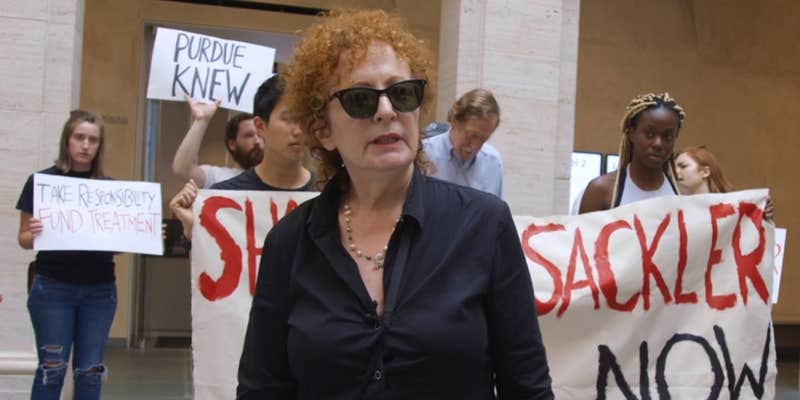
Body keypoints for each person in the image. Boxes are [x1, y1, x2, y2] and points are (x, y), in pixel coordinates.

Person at [236, 10, 553, 399]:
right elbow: (262, 388)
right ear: (323, 130)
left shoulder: (484, 225)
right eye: (360, 98)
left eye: (401, 93)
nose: (386, 110)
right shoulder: (289, 242)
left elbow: (528, 386)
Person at [16, 110, 116, 400]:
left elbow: (117, 243)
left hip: (100, 290)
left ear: (99, 145)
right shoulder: (42, 182)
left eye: (93, 140)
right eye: (79, 137)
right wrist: (33, 233)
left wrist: (142, 235)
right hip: (53, 287)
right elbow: (23, 239)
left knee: (90, 372)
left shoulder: (109, 188)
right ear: (67, 140)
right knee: (52, 369)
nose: (85, 145)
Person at [170, 75, 315, 239]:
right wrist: (194, 231)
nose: (299, 131)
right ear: (261, 125)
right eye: (288, 119)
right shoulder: (223, 196)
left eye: (305, 118)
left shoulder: (328, 194)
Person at [579, 93, 686, 213]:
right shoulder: (601, 190)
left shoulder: (683, 195)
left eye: (667, 136)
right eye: (649, 134)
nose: (658, 144)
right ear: (631, 133)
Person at [423, 88, 504, 197]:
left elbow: (495, 207)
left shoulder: (493, 162)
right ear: (454, 121)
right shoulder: (423, 154)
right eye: (472, 136)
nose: (475, 146)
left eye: (483, 139)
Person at [171, 95, 263, 188]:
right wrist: (202, 120)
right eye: (249, 135)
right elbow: (182, 169)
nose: (257, 141)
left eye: (260, 135)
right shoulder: (216, 176)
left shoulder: (272, 181)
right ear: (232, 144)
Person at [676, 145, 774, 219]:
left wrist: (760, 211)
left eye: (683, 166)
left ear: (705, 172)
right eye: (674, 168)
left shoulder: (735, 207)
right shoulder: (674, 209)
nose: (676, 172)